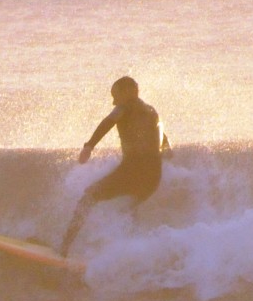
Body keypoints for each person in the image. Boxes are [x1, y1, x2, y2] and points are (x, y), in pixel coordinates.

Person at [59, 76, 171, 255]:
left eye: (115, 96)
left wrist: (89, 146)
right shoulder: (152, 112)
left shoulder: (125, 107)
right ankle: (132, 254)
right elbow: (167, 148)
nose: (113, 102)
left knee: (89, 197)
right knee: (127, 209)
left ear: (127, 93)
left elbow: (108, 122)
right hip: (153, 177)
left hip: (133, 170)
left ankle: (63, 248)